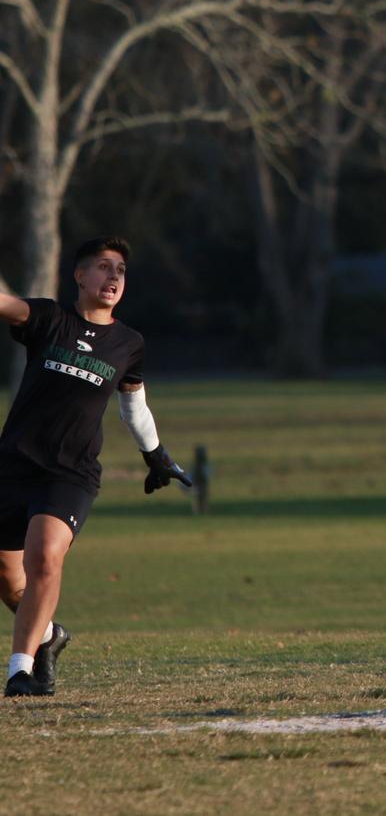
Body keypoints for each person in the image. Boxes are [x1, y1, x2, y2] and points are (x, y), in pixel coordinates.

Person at [0, 237, 191, 697]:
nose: (113, 278)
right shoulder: (48, 319)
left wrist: (156, 455)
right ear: (79, 276)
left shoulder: (129, 343)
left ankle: (19, 671)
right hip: (12, 466)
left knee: (44, 554)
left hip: (70, 473)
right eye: (103, 268)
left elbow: (134, 407)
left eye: (120, 271)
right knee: (9, 582)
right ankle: (48, 636)